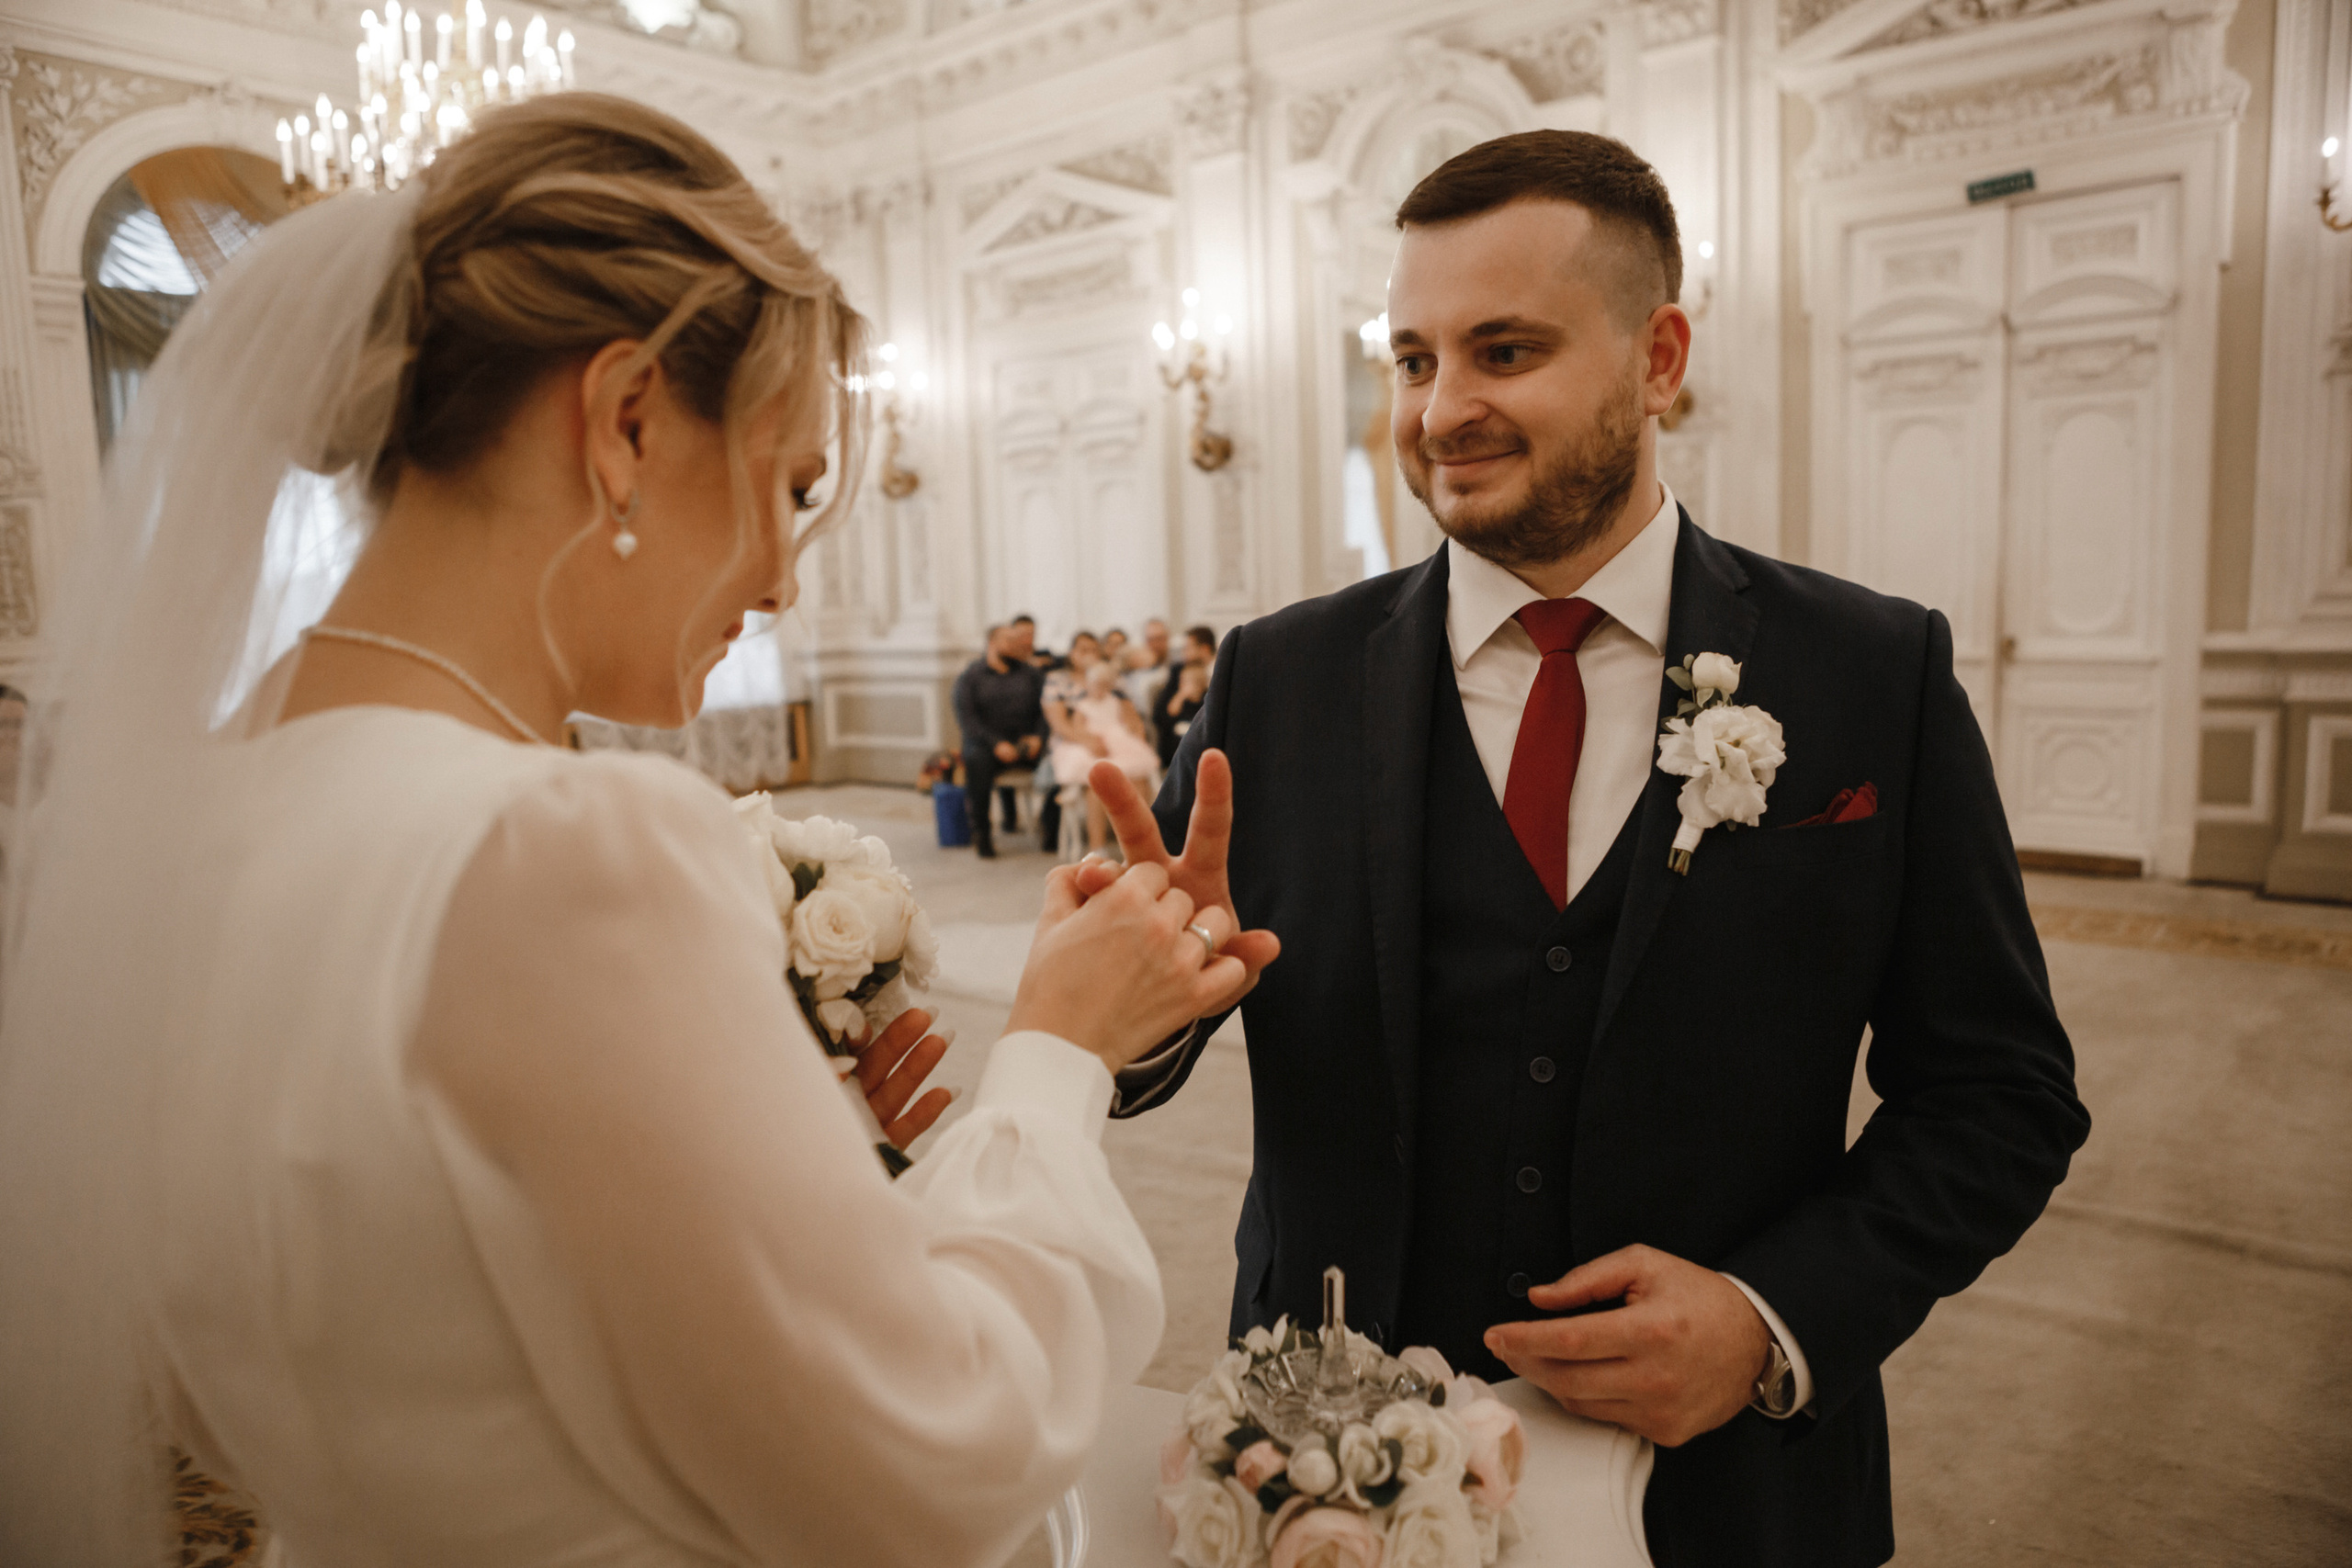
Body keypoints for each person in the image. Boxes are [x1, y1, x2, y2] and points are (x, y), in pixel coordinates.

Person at [0, 96, 1279, 1567]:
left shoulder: (195, 821)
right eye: (791, 489)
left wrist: (793, 1154)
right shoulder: (565, 852)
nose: (786, 585)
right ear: (624, 422)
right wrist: (1055, 1050)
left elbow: (420, 1313)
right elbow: (939, 1450)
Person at [1084, 130, 2088, 1568]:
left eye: (1504, 350)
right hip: (1328, 1484)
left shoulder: (1874, 672)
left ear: (1658, 356)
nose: (1442, 409)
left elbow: (2001, 1093)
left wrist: (1769, 1319)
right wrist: (1129, 1007)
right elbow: (1153, 1028)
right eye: (1413, 358)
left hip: (1728, 1496)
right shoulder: (1278, 679)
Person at [950, 622, 1045, 857]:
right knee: (976, 760)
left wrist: (1038, 737)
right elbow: (968, 720)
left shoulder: (1031, 674)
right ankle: (982, 833)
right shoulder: (970, 677)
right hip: (988, 744)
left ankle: (1051, 831)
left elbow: (1045, 710)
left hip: (1027, 742)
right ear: (992, 643)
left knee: (1063, 759)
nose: (1017, 645)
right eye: (1009, 641)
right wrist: (996, 744)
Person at [1049, 661, 1158, 856]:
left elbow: (1133, 725)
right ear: (1088, 685)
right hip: (1094, 748)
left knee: (1139, 779)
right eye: (1096, 685)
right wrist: (1091, 740)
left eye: (1104, 685)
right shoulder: (1083, 705)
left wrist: (1133, 736)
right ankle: (1097, 846)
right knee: (1096, 785)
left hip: (1120, 747)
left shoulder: (1117, 702)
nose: (1100, 690)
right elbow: (1077, 729)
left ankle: (1140, 840)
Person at [1154, 660, 1207, 773]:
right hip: (1177, 746)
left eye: (1187, 682)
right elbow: (1168, 716)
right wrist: (1180, 696)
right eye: (1181, 681)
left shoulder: (1205, 701)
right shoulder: (1178, 700)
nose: (1181, 685)